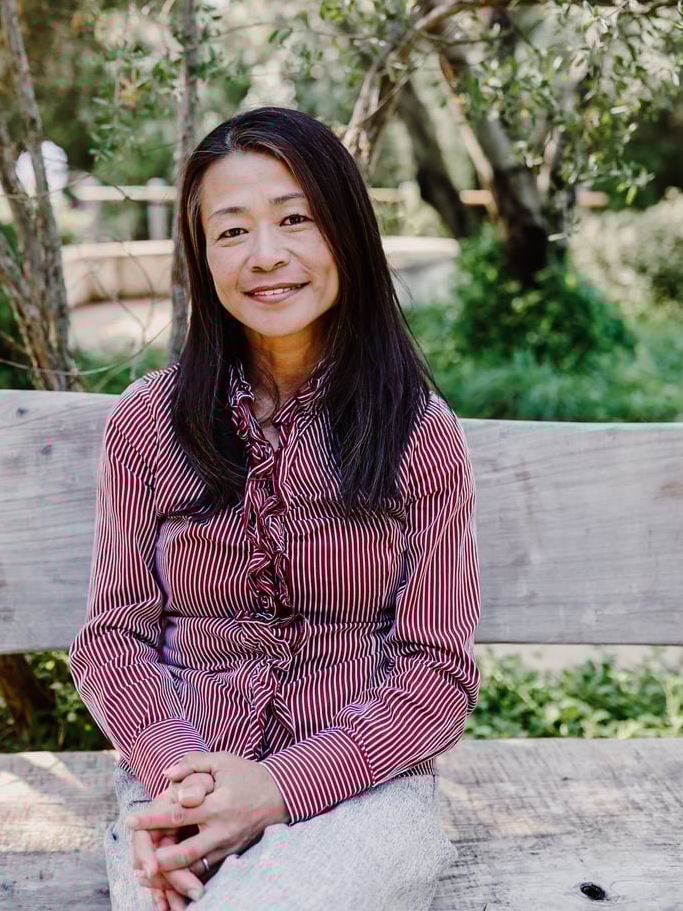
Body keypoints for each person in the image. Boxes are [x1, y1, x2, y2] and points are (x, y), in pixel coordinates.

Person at [69, 106, 481, 911]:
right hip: (176, 782)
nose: (266, 256)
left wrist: (278, 787)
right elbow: (113, 639)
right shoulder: (147, 423)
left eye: (296, 219)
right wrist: (185, 788)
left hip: (366, 790)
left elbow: (437, 676)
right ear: (201, 256)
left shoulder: (420, 436)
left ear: (347, 234)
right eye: (231, 231)